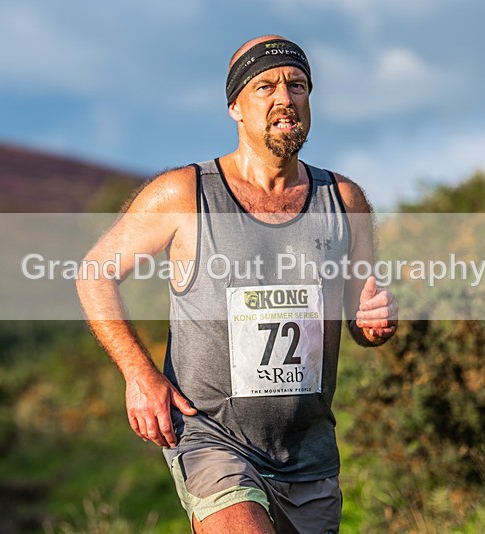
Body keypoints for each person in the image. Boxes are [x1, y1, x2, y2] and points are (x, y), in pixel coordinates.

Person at [76, 35, 398, 534]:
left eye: (297, 85)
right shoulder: (185, 194)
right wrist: (139, 374)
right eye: (264, 86)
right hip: (211, 437)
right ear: (235, 107)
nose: (284, 98)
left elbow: (361, 315)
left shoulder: (343, 200)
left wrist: (375, 322)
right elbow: (96, 272)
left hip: (308, 451)